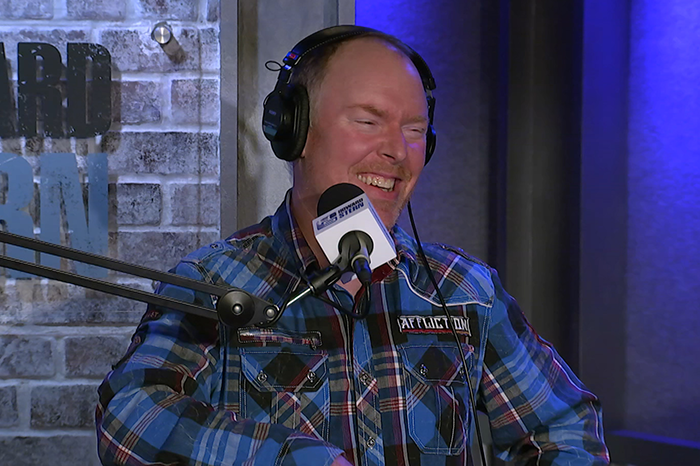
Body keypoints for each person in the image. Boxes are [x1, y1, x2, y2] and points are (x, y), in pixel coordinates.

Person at [96, 26, 609, 466]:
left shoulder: (465, 291)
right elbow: (129, 418)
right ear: (293, 130)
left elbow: (565, 428)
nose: (397, 151)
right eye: (368, 122)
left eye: (415, 130)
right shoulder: (218, 282)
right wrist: (291, 458)